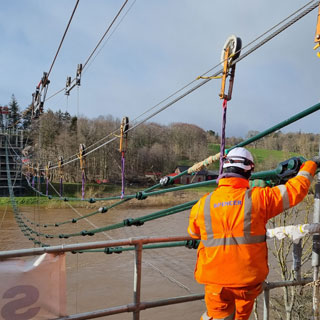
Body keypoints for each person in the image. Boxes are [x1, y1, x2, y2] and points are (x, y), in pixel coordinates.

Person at [188, 147, 318, 320]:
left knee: (216, 316)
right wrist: (311, 165)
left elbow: (194, 233)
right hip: (247, 282)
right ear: (249, 172)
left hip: (214, 282)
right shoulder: (259, 198)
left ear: (224, 170)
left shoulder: (202, 205)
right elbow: (295, 191)